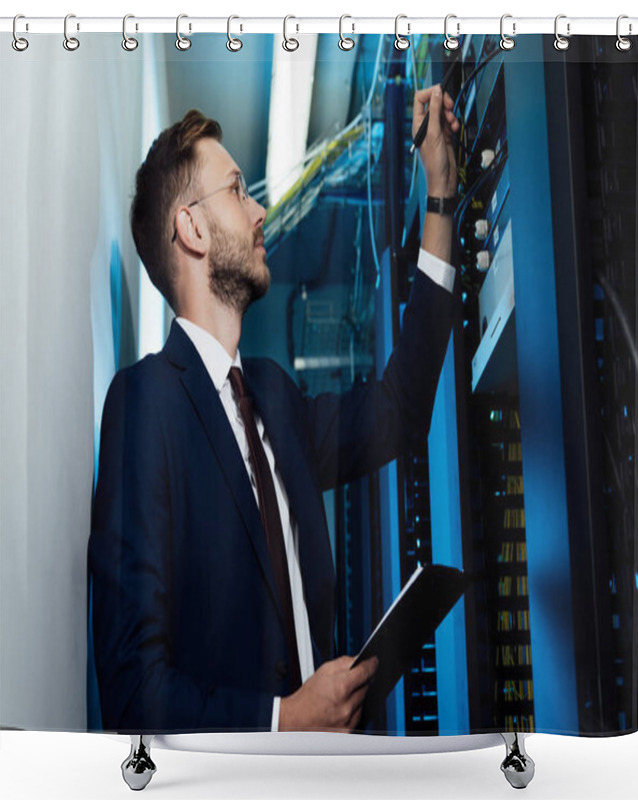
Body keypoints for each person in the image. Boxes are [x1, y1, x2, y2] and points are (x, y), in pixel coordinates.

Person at [88, 84, 460, 734]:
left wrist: (441, 196)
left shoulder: (273, 398)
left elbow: (399, 414)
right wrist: (283, 719)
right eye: (237, 189)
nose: (260, 211)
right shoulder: (146, 404)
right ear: (191, 227)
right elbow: (130, 688)